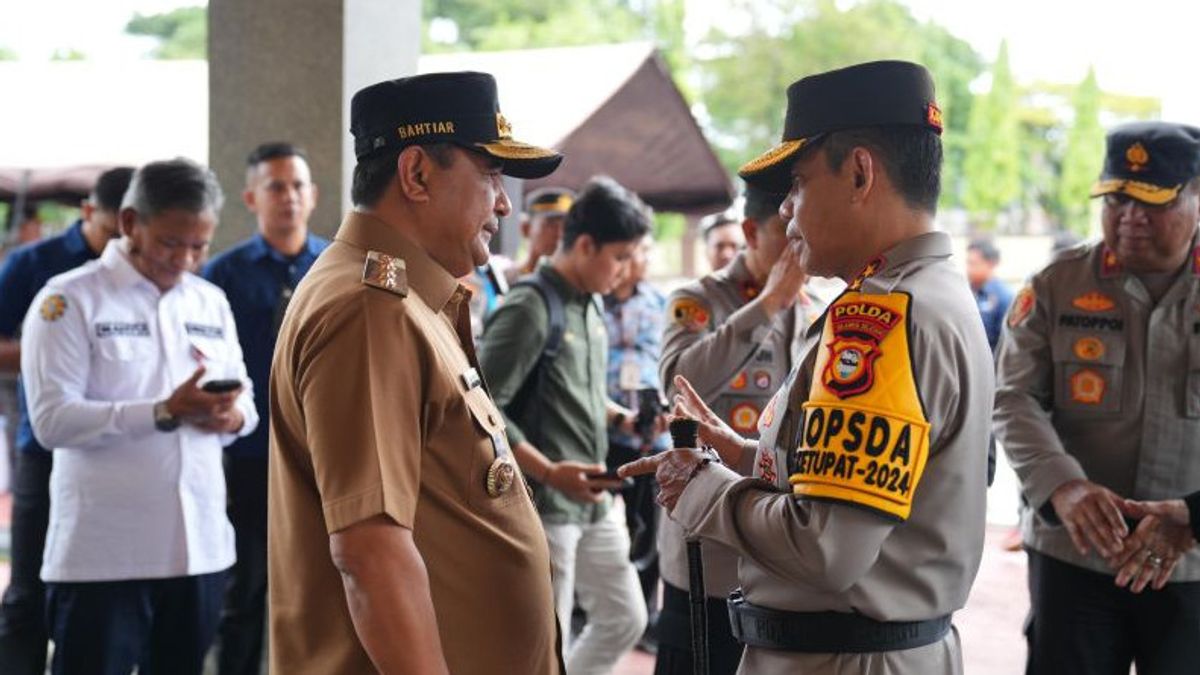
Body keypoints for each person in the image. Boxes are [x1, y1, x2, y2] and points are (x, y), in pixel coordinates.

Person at [622, 60, 994, 675]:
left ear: (858, 173)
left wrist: (703, 488)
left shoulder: (883, 317)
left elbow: (824, 546)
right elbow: (867, 491)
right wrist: (746, 456)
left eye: (797, 183)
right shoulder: (930, 292)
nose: (789, 212)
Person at [267, 71, 563, 674]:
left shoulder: (403, 298)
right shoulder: (369, 309)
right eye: (490, 174)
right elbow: (370, 553)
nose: (504, 203)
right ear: (417, 174)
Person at [20, 158, 257, 675]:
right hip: (104, 555)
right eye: (172, 243)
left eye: (200, 246)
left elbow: (249, 404)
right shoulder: (69, 300)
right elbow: (51, 420)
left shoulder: (210, 301)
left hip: (199, 551)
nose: (187, 259)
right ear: (130, 223)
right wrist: (163, 411)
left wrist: (230, 417)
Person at [994, 121, 1200, 674]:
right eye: (1116, 198)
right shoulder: (1057, 284)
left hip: (1194, 567)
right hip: (1074, 558)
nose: (1129, 215)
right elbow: (1013, 396)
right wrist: (1062, 486)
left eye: (1152, 201)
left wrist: (1195, 517)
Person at [478, 175, 651, 675]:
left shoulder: (591, 301)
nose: (623, 272)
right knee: (542, 642)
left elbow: (582, 390)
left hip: (593, 501)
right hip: (546, 506)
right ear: (584, 245)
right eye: (618, 257)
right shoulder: (530, 306)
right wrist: (551, 472)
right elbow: (484, 408)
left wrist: (624, 416)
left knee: (625, 617)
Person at [654, 183, 822, 674]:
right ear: (750, 231)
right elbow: (679, 384)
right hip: (707, 551)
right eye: (784, 233)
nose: (799, 244)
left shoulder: (813, 309)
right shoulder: (697, 300)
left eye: (802, 231)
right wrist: (767, 305)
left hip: (776, 545)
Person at [201, 142, 329, 675]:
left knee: (322, 592)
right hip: (251, 456)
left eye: (298, 186)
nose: (289, 198)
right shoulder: (220, 276)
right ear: (252, 197)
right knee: (246, 592)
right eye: (276, 187)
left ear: (314, 196)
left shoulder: (334, 266)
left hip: (323, 455)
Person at [0, 166, 133, 675]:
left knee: (104, 590)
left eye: (131, 231)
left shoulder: (146, 268)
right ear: (87, 214)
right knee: (29, 589)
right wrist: (52, 353)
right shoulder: (36, 264)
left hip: (121, 447)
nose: (122, 244)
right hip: (46, 445)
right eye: (111, 231)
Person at [602, 232, 670, 650]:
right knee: (598, 526)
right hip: (605, 432)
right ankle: (593, 610)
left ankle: (644, 615)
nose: (641, 259)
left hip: (651, 435)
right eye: (634, 251)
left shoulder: (660, 303)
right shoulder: (594, 300)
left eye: (645, 250)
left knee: (649, 527)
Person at [507, 186, 574, 283]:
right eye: (551, 224)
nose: (560, 234)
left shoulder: (572, 285)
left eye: (566, 226)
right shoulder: (504, 279)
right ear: (526, 228)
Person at [965, 237, 1013, 352]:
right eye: (967, 263)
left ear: (990, 264)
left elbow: (1006, 343)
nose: (968, 269)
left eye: (973, 263)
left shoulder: (1004, 297)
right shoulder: (967, 293)